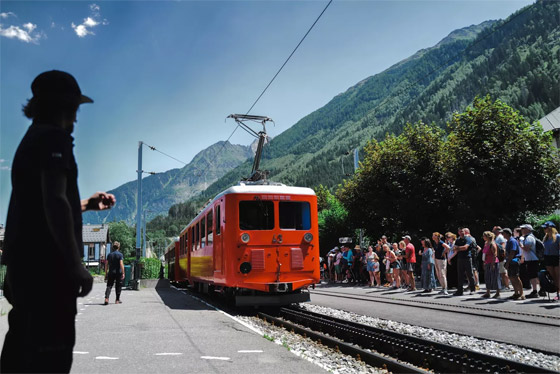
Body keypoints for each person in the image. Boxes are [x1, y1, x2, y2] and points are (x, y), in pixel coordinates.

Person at [1, 70, 116, 373]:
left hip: (25, 267)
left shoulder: (33, 138)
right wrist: (74, 265)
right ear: (62, 107)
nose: (76, 118)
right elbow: (54, 201)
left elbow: (45, 202)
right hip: (46, 269)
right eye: (75, 108)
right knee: (50, 356)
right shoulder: (54, 137)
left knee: (22, 349)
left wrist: (86, 205)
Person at [519, 224, 545, 298]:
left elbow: (526, 248)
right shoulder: (528, 237)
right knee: (534, 276)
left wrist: (520, 244)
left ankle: (535, 291)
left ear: (528, 230)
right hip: (531, 259)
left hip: (532, 259)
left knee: (533, 276)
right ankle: (541, 290)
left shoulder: (529, 238)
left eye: (524, 229)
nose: (522, 230)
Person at [452, 228, 476, 296]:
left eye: (462, 231)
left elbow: (465, 247)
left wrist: (458, 248)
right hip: (460, 258)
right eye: (460, 231)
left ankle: (473, 289)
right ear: (458, 232)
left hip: (467, 258)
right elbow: (454, 248)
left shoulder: (468, 239)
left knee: (470, 274)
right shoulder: (458, 240)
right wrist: (460, 248)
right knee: (460, 275)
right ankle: (460, 290)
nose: (461, 232)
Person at [504, 228, 524, 300]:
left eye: (503, 233)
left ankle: (521, 293)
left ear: (507, 234)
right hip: (510, 261)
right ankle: (516, 293)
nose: (502, 235)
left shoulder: (512, 241)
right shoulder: (508, 241)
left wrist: (507, 263)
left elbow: (512, 252)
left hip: (513, 261)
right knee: (511, 277)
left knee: (515, 277)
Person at [542, 221, 560, 300]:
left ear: (551, 228)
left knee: (558, 276)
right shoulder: (545, 238)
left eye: (546, 228)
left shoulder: (558, 237)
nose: (544, 229)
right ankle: (557, 292)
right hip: (548, 257)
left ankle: (559, 293)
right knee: (553, 277)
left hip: (556, 257)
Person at [481, 231, 500, 298]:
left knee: (495, 277)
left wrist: (493, 263)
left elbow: (495, 254)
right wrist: (484, 262)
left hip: (493, 262)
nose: (483, 237)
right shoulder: (486, 243)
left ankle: (498, 292)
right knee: (487, 277)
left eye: (484, 236)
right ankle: (488, 292)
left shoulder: (492, 244)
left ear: (487, 237)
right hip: (487, 262)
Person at [493, 226, 509, 291]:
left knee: (503, 272)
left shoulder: (500, 237)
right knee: (501, 272)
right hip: (500, 257)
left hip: (501, 257)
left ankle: (507, 286)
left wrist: (501, 255)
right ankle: (504, 285)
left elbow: (503, 246)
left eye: (494, 230)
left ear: (497, 230)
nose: (493, 232)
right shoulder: (498, 237)